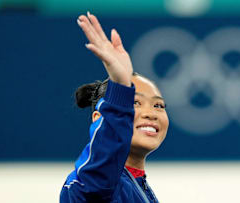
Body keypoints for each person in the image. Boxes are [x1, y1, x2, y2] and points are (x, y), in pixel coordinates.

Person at [60, 12, 169, 203]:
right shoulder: (96, 183)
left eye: (158, 105)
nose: (151, 113)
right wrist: (120, 87)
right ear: (98, 117)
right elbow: (99, 176)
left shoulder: (137, 186)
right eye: (134, 102)